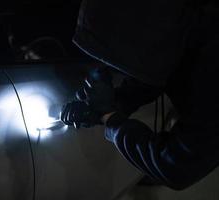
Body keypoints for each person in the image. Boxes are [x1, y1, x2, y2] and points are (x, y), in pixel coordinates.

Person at [61, 0, 219, 190]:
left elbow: (178, 167)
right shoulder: (186, 33)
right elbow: (159, 71)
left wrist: (110, 118)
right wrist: (109, 104)